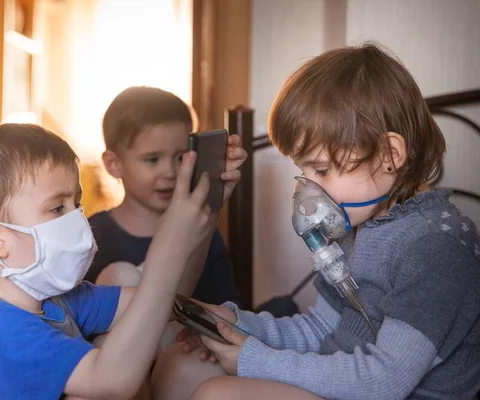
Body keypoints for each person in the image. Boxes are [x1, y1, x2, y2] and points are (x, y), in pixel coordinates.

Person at [150, 43, 480, 400]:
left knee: (218, 394)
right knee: (178, 365)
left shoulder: (435, 247)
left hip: (385, 390)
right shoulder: (360, 226)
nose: (308, 189)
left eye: (321, 169)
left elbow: (385, 380)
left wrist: (255, 361)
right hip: (347, 380)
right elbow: (322, 330)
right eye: (303, 171)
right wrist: (237, 325)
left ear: (389, 155)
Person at [0, 123, 246, 399]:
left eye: (76, 203)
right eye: (57, 209)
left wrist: (204, 212)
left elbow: (161, 301)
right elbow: (111, 381)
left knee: (161, 350)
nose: (78, 219)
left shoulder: (56, 302)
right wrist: (166, 249)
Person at [86, 86, 242, 308]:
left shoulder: (204, 229)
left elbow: (229, 307)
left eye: (180, 157)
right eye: (152, 159)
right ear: (114, 164)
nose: (170, 172)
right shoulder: (91, 236)